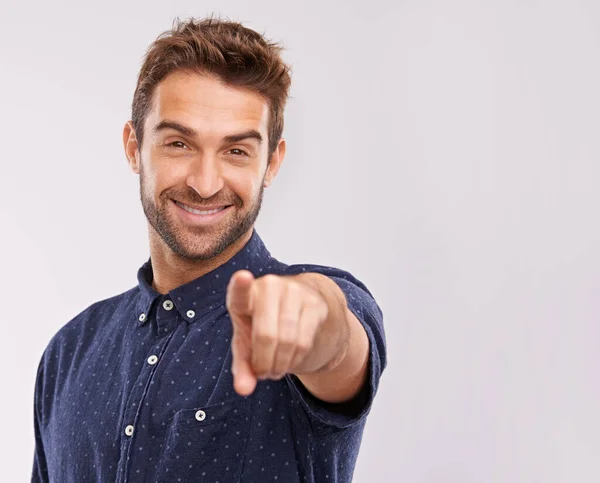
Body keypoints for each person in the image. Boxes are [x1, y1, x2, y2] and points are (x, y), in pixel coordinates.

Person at [31, 16, 387, 483]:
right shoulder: (68, 353)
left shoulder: (303, 303)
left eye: (236, 151)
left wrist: (318, 324)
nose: (204, 183)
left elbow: (338, 343)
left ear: (272, 163)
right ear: (134, 147)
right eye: (179, 144)